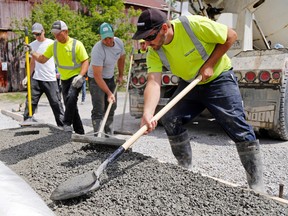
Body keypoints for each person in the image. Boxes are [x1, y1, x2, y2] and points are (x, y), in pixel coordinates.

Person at [132, 8, 264, 192]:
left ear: (164, 28)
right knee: (170, 119)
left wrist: (209, 64)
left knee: (237, 126)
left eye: (150, 37)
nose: (147, 43)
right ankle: (185, 169)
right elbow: (153, 82)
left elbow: (231, 36)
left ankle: (257, 185)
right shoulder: (154, 50)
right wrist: (148, 113)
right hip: (191, 83)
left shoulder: (193, 25)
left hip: (219, 78)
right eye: (144, 39)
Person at [26, 20, 89, 134]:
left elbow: (85, 61)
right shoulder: (53, 46)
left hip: (76, 77)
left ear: (66, 31)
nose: (56, 36)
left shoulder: (76, 44)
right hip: (64, 79)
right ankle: (80, 132)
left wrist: (80, 76)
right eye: (54, 34)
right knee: (71, 105)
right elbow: (42, 59)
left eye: (59, 34)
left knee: (71, 98)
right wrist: (32, 52)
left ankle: (66, 123)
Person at [22, 23, 64, 127]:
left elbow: (59, 59)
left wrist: (61, 73)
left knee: (56, 103)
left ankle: (63, 126)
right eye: (35, 34)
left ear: (43, 31)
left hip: (50, 79)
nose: (37, 36)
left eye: (38, 34)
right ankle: (27, 122)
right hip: (36, 79)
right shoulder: (31, 45)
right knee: (30, 102)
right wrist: (28, 76)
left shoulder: (52, 44)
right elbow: (32, 63)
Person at [87, 22, 125, 136]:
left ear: (113, 34)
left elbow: (122, 58)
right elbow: (97, 76)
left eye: (110, 37)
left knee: (112, 106)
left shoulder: (119, 43)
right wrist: (109, 93)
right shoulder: (97, 50)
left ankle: (108, 134)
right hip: (95, 79)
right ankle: (97, 135)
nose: (108, 41)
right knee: (99, 107)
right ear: (100, 37)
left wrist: (121, 75)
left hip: (109, 77)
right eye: (105, 39)